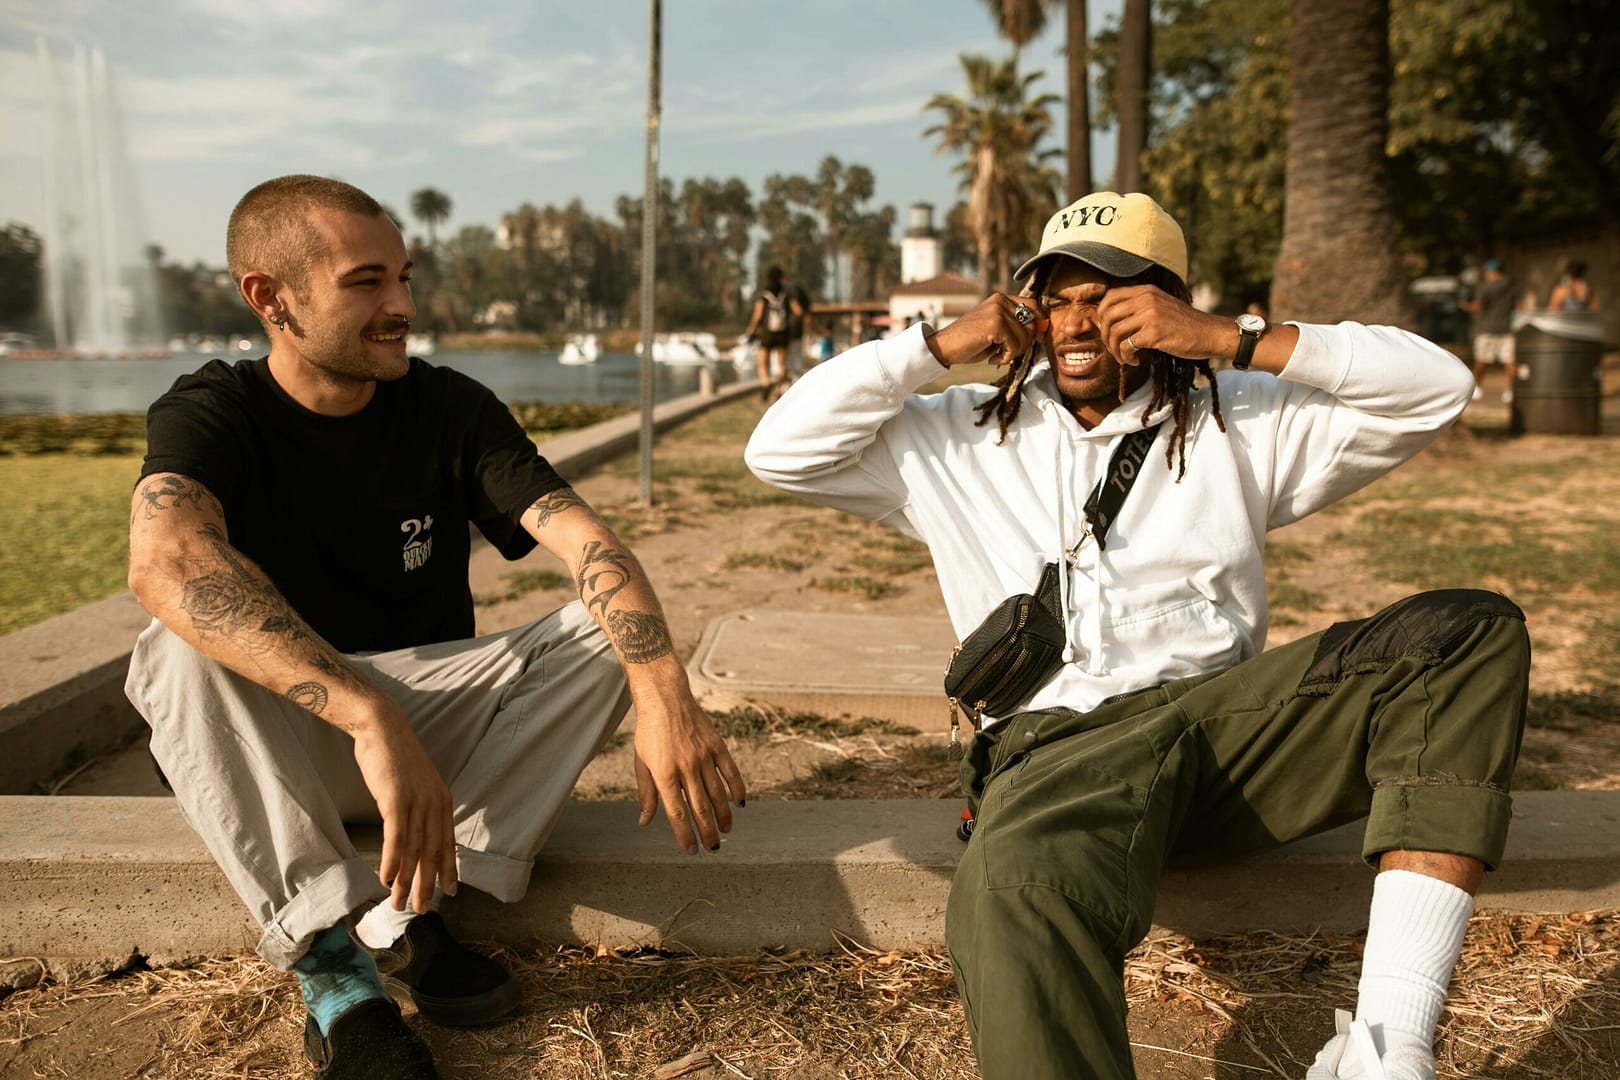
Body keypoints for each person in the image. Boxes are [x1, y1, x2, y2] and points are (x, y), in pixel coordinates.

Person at [746, 190, 1527, 1080]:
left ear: (1164, 306)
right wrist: (941, 347)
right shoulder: (957, 435)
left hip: (1225, 742)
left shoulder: (1242, 416)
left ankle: (1388, 1050)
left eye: (1110, 296)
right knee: (1014, 899)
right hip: (1058, 759)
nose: (1079, 320)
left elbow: (1440, 387)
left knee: (1465, 633)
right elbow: (779, 450)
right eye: (1057, 296)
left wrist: (1229, 338)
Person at [124, 175, 747, 1080]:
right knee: (176, 641)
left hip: (427, 742)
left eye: (405, 278)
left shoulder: (450, 407)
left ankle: (416, 911)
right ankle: (337, 975)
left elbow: (588, 543)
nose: (403, 306)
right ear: (272, 298)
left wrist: (664, 694)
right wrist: (368, 715)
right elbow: (165, 560)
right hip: (285, 742)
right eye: (367, 282)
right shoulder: (214, 410)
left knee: (596, 632)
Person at [1456, 258, 1520, 402]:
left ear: (1491, 272)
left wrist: (1464, 306)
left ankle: (1477, 387)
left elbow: (1478, 306)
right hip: (1507, 328)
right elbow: (1518, 306)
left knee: (1481, 361)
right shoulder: (1512, 285)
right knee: (1510, 362)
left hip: (1486, 328)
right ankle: (1510, 391)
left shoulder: (1486, 287)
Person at [742, 266, 805, 402]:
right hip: (783, 333)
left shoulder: (764, 295)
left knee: (762, 363)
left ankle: (766, 383)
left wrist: (751, 329)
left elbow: (758, 315)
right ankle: (778, 388)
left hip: (767, 334)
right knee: (782, 365)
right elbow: (799, 312)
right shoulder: (786, 294)